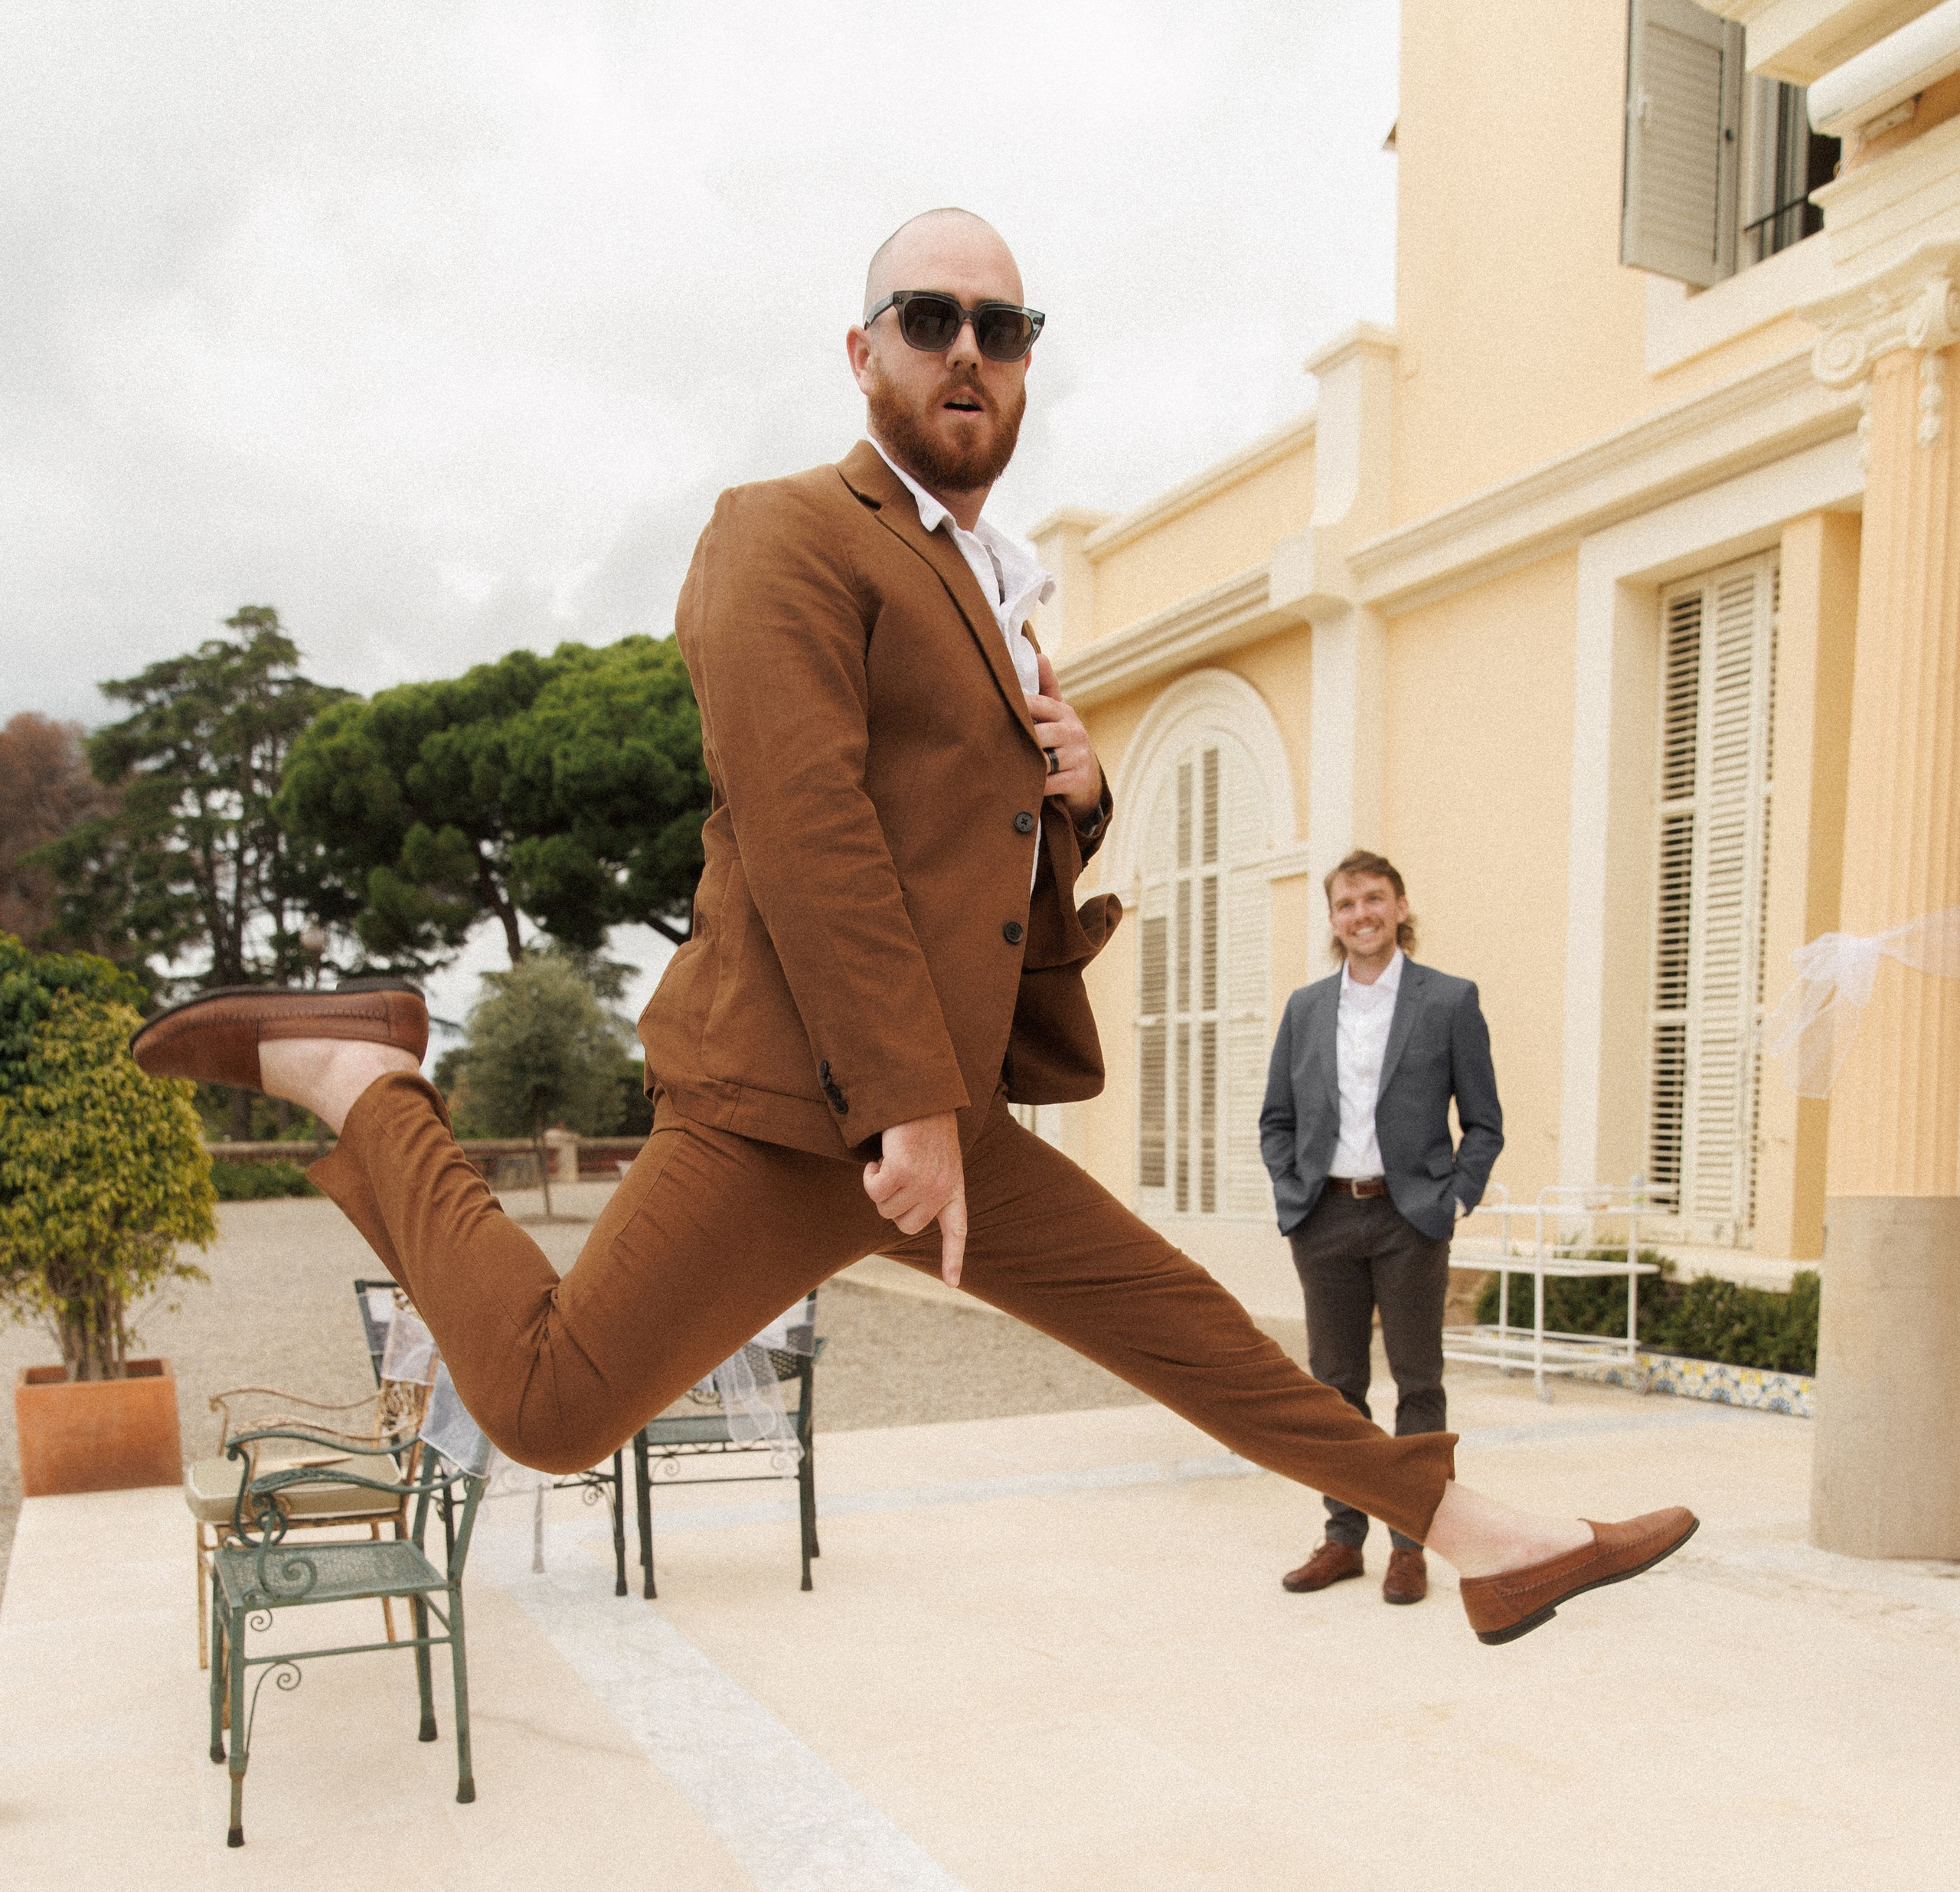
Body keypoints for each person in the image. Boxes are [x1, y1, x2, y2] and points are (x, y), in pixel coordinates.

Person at [132, 207, 1694, 1646]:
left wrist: (1072, 796)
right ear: (862, 350)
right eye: (928, 315)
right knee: (547, 1404)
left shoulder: (989, 596)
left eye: (1001, 329)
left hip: (925, 1110)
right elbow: (803, 826)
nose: (967, 349)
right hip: (797, 1108)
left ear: (1024, 369)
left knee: (1189, 1331)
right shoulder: (782, 532)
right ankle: (367, 1077)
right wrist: (899, 1103)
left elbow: (954, 852)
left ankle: (1477, 1536)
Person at [1260, 853, 1500, 1610]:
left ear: (1399, 906)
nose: (1360, 914)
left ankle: (1410, 1545)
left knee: (1417, 1383)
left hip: (1409, 1219)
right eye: (1345, 903)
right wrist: (1291, 1188)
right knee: (1334, 1389)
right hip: (1324, 1217)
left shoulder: (1449, 1001)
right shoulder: (1305, 1009)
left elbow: (1484, 1124)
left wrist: (1452, 1198)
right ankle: (1342, 1537)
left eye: (1373, 899)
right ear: (1332, 919)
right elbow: (1275, 1119)